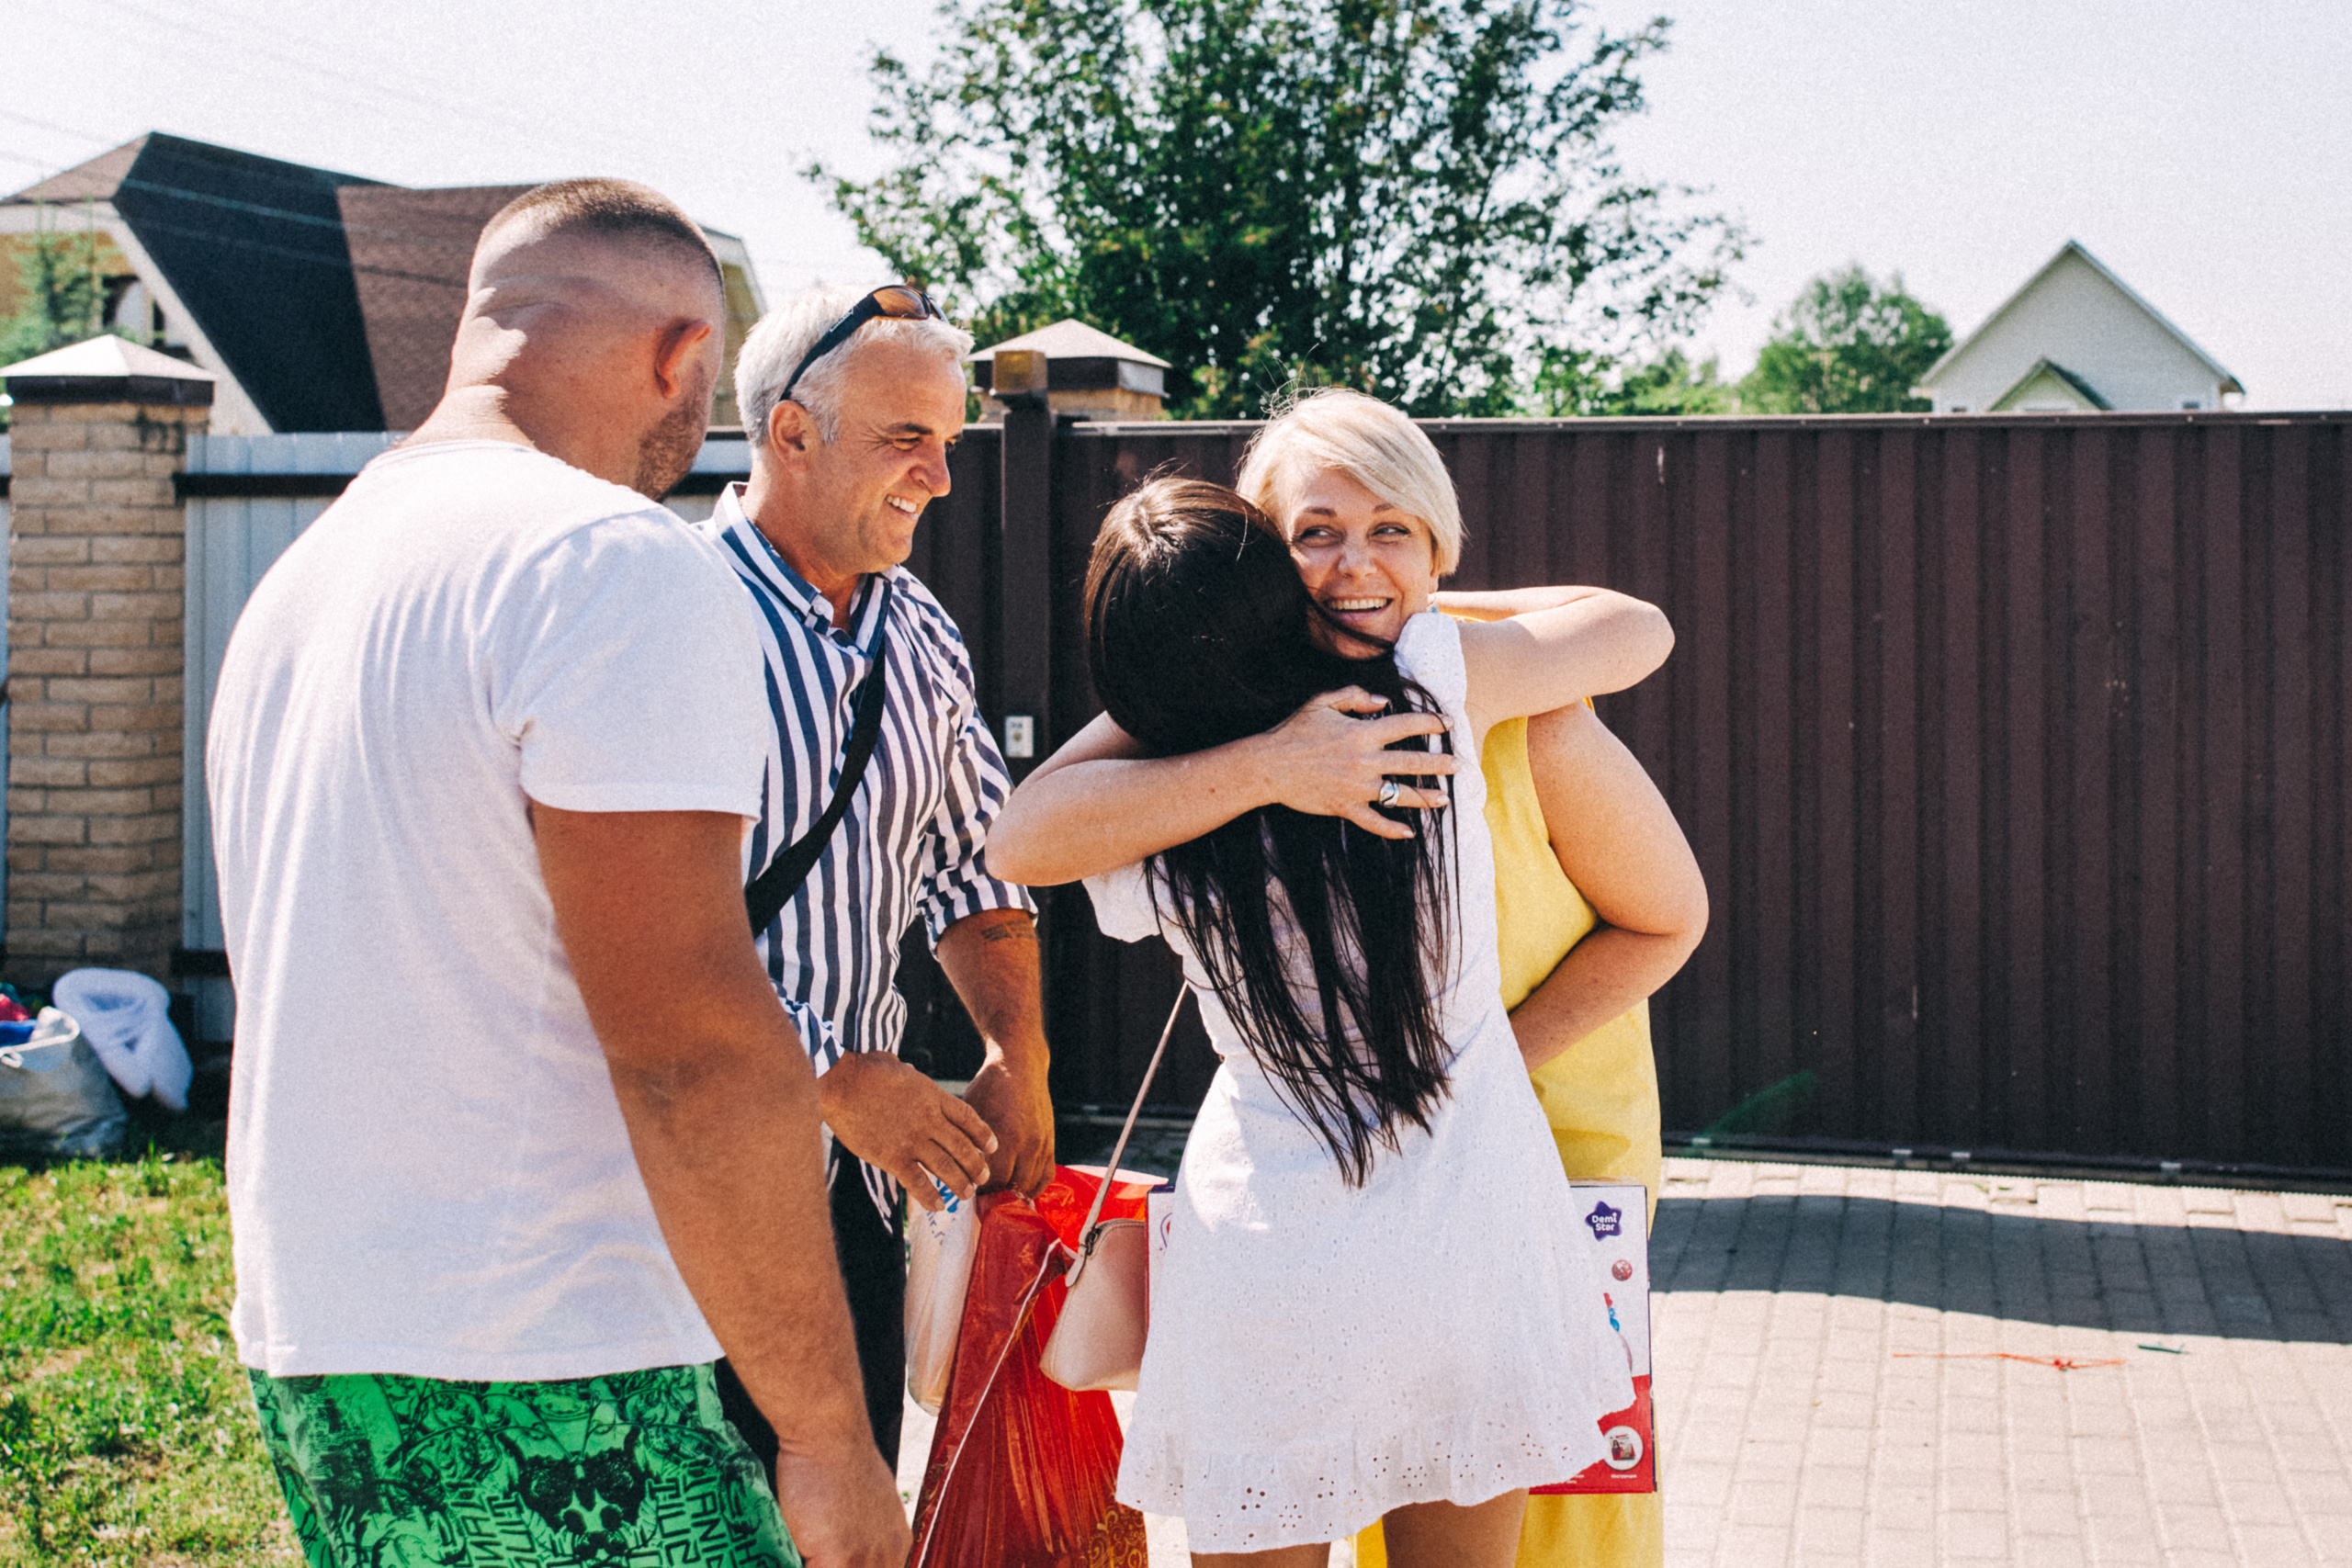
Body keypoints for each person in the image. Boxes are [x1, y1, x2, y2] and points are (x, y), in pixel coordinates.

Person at [207, 181, 906, 1568]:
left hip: (321, 1354)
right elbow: (694, 1048)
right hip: (554, 1359)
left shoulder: (305, 577)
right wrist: (830, 1434)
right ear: (681, 357)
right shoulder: (608, 561)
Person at [985, 472, 1675, 1567]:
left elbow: (1017, 839)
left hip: (1267, 1258)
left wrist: (1215, 723)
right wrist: (1413, 603)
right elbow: (1636, 629)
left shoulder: (1161, 809)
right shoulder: (1428, 691)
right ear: (1280, 591)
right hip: (1469, 1235)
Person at [1229, 391, 1708, 1568]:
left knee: (1555, 1509)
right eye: (1314, 532)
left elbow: (1665, 920)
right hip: (1340, 1176)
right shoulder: (1241, 729)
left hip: (1548, 1152)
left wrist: (1474, 1068)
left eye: (1392, 529)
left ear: (1440, 547)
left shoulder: (1529, 718)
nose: (1354, 561)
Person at [702, 283, 1056, 1475]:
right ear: (790, 433)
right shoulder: (673, 617)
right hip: (676, 1202)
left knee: (848, 1516)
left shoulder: (920, 628)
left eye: (947, 442)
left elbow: (972, 858)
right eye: (909, 438)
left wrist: (1016, 1052)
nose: (940, 478)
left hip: (850, 1197)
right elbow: (618, 931)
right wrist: (831, 1074)